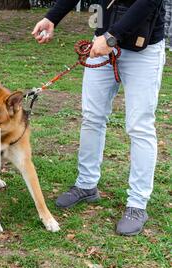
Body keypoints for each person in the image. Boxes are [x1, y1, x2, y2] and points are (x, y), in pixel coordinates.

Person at [32, 0, 166, 236]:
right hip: (102, 41)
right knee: (91, 118)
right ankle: (86, 184)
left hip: (142, 50)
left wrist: (112, 36)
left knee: (139, 127)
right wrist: (52, 17)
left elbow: (148, 2)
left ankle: (137, 204)